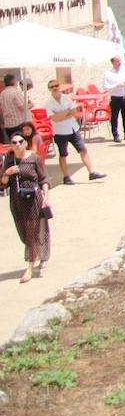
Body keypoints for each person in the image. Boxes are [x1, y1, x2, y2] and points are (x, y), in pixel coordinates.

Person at [2, 125, 50, 283]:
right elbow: (2, 185)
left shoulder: (33, 158)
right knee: (25, 234)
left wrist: (45, 197)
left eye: (20, 141)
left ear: (24, 143)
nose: (17, 145)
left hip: (33, 200)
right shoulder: (9, 161)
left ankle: (29, 268)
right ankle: (41, 256)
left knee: (31, 233)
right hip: (17, 201)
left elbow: (44, 179)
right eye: (14, 142)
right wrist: (7, 174)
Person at [45, 79, 107, 185]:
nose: (55, 88)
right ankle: (66, 177)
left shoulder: (66, 98)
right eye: (52, 87)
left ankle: (91, 172)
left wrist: (61, 115)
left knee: (83, 149)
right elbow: (54, 118)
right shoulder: (48, 104)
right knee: (63, 154)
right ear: (49, 89)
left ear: (59, 86)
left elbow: (73, 112)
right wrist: (66, 112)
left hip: (73, 128)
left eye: (56, 85)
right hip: (60, 132)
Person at [101, 56, 125, 142]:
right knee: (114, 117)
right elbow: (105, 87)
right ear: (113, 62)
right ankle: (115, 135)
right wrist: (116, 86)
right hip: (115, 98)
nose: (119, 63)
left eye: (120, 61)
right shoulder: (108, 74)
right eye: (117, 61)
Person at [2, 73, 32, 140]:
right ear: (14, 81)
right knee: (22, 145)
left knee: (14, 145)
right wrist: (31, 105)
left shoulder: (2, 94)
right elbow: (23, 107)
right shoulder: (15, 92)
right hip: (18, 124)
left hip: (8, 125)